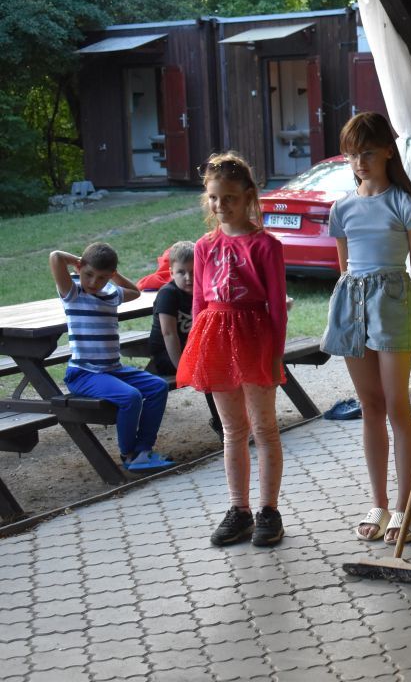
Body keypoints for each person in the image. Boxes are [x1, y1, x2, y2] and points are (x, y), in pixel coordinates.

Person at [320, 112, 411, 545]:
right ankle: (379, 504)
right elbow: (344, 270)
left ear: (387, 151)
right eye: (351, 154)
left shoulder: (405, 204)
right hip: (352, 307)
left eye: (367, 152)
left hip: (392, 308)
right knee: (370, 406)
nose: (359, 162)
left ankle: (406, 507)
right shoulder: (341, 208)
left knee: (397, 406)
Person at [177, 152, 289, 548]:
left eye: (229, 198)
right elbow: (198, 303)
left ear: (247, 197)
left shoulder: (266, 246)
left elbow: (277, 307)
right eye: (213, 198)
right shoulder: (204, 246)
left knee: (264, 427)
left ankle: (268, 511)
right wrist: (198, 349)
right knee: (232, 430)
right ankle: (239, 510)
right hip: (216, 341)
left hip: (254, 340)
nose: (220, 205)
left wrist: (275, 354)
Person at [50, 242, 172, 472]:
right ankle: (129, 455)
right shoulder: (73, 293)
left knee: (158, 387)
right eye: (88, 274)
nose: (93, 282)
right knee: (131, 397)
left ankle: (143, 450)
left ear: (110, 276)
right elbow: (55, 256)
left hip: (112, 370)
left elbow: (135, 291)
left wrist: (113, 276)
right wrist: (79, 261)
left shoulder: (111, 293)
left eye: (102, 278)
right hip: (83, 373)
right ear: (80, 269)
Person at [144, 240, 222, 437]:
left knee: (224, 364)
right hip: (168, 355)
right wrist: (182, 367)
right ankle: (223, 424)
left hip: (192, 350)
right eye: (181, 272)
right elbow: (168, 333)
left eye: (194, 272)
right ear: (171, 273)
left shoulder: (204, 290)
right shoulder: (168, 294)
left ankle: (233, 420)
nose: (188, 278)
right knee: (210, 370)